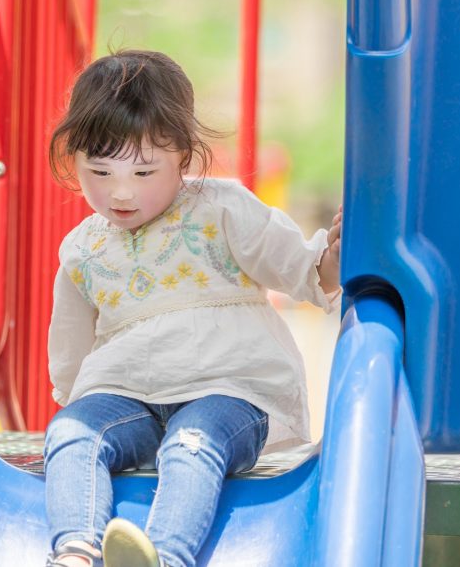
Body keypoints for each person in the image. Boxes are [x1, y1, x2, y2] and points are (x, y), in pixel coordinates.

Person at [43, 49, 342, 567]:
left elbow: (297, 269)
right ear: (75, 160)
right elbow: (69, 348)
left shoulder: (221, 209)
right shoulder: (82, 248)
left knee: (192, 444)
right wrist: (77, 405)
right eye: (99, 170)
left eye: (142, 171)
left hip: (228, 389)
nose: (120, 191)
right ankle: (75, 549)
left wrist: (331, 263)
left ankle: (165, 556)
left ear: (182, 153)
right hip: (127, 395)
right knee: (70, 433)